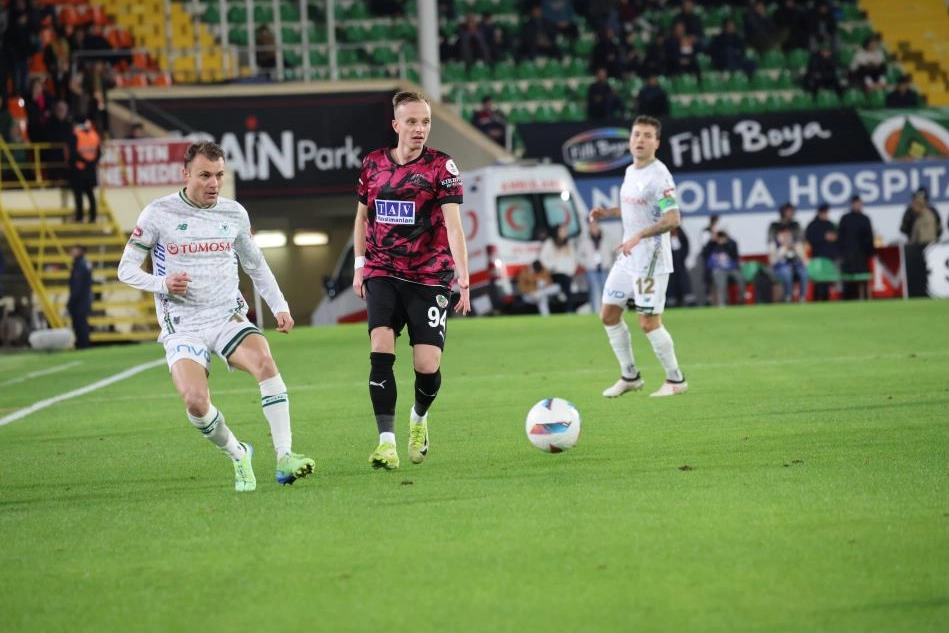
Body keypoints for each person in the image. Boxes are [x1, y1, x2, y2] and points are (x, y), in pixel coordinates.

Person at [117, 141, 315, 492]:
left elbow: (256, 265)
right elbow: (125, 269)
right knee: (195, 402)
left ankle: (285, 457)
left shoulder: (234, 213)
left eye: (220, 175)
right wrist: (162, 283)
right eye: (205, 175)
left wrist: (279, 305)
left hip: (227, 316)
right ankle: (238, 453)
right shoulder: (158, 214)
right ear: (186, 175)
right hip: (183, 325)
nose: (214, 183)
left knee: (265, 363)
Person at [351, 91, 471, 471]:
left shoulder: (441, 167)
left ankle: (418, 418)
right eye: (412, 122)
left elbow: (454, 226)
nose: (420, 129)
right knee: (381, 347)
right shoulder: (373, 164)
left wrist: (464, 277)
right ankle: (386, 443)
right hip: (383, 270)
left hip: (428, 275)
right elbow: (362, 217)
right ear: (396, 125)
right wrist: (359, 265)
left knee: (427, 364)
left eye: (426, 122)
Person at [589, 115, 688, 398]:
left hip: (651, 259)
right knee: (608, 315)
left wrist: (639, 235)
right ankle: (630, 376)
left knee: (648, 323)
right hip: (628, 257)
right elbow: (636, 208)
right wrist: (608, 212)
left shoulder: (660, 177)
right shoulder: (631, 171)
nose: (640, 140)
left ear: (657, 142)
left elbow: (673, 218)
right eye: (636, 134)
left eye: (647, 135)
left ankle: (676, 380)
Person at [836, 195, 875, 300]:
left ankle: (864, 297)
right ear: (852, 204)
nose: (858, 205)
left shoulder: (865, 219)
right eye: (856, 203)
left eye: (859, 203)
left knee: (862, 278)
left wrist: (870, 252)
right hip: (848, 256)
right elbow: (840, 237)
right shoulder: (845, 218)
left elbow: (869, 238)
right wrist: (841, 253)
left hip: (861, 256)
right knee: (848, 279)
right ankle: (848, 298)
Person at [576, 220, 615, 314]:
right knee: (594, 293)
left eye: (595, 226)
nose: (593, 228)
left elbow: (615, 252)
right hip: (592, 270)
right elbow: (578, 256)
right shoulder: (585, 240)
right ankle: (594, 313)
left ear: (599, 226)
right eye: (591, 226)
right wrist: (587, 264)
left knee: (606, 293)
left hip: (605, 269)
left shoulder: (607, 239)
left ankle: (607, 313)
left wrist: (611, 264)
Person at [538, 223, 579, 313]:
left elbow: (573, 258)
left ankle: (568, 309)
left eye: (565, 231)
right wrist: (551, 266)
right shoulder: (550, 243)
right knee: (568, 292)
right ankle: (569, 310)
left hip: (568, 273)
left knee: (566, 292)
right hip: (557, 272)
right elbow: (542, 257)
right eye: (562, 231)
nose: (564, 233)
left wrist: (572, 270)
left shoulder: (569, 244)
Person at [68, 118, 101, 223]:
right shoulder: (94, 135)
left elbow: (73, 153)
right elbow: (98, 152)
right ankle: (92, 217)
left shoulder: (76, 135)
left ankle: (80, 217)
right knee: (90, 193)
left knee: (80, 194)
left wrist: (86, 162)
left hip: (80, 168)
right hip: (90, 168)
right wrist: (92, 163)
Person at [804, 203, 839, 301]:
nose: (825, 214)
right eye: (824, 212)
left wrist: (834, 237)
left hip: (829, 257)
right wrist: (824, 237)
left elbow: (837, 236)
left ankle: (825, 298)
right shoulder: (813, 225)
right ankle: (817, 298)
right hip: (817, 258)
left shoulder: (830, 224)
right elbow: (809, 238)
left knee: (827, 279)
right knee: (818, 280)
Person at [701, 230, 744, 307]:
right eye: (719, 237)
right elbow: (705, 253)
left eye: (722, 237)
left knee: (741, 278)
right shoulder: (712, 245)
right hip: (719, 269)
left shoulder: (731, 244)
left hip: (731, 268)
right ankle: (722, 304)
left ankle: (741, 301)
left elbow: (734, 253)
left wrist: (727, 242)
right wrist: (711, 241)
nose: (720, 239)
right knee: (721, 282)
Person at [769, 226, 809, 302]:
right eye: (784, 234)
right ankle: (788, 296)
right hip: (779, 269)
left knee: (804, 272)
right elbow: (773, 261)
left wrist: (796, 248)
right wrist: (784, 248)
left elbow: (803, 258)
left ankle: (802, 297)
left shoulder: (795, 243)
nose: (786, 236)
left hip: (795, 267)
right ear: (779, 234)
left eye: (788, 234)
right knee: (787, 271)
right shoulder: (774, 244)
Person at [67, 244, 93, 349]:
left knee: (80, 323)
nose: (72, 252)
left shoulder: (80, 265)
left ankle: (83, 344)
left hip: (80, 300)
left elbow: (77, 285)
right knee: (81, 323)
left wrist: (71, 302)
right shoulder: (83, 263)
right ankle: (83, 343)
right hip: (84, 299)